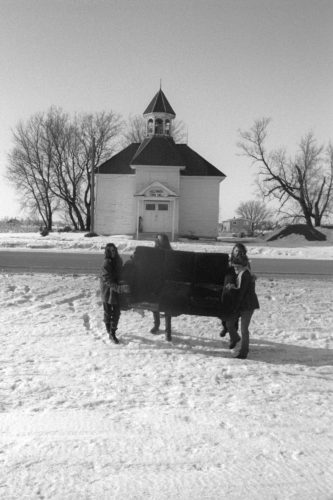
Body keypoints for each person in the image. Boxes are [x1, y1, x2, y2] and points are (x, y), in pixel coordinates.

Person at [225, 252, 259, 359]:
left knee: (244, 329)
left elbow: (241, 292)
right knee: (229, 322)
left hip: (247, 306)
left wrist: (232, 288)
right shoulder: (241, 273)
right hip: (243, 304)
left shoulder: (245, 275)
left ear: (242, 266)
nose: (234, 269)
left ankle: (244, 352)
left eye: (236, 267)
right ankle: (235, 338)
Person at [220, 242, 250, 338]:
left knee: (234, 312)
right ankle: (225, 327)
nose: (237, 252)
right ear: (233, 251)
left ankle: (233, 333)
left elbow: (247, 274)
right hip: (227, 285)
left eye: (240, 251)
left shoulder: (245, 262)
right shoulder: (229, 261)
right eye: (236, 250)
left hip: (237, 287)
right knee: (224, 308)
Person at [150, 233, 172, 340]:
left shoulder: (170, 253)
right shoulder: (154, 252)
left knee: (167, 306)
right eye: (157, 240)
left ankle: (168, 331)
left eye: (159, 240)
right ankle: (157, 325)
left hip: (167, 283)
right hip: (155, 282)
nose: (157, 242)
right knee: (155, 305)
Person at [100, 243, 123, 344]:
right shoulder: (106, 263)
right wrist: (117, 287)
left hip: (116, 291)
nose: (114, 252)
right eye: (111, 251)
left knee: (117, 312)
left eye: (115, 250)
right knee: (108, 312)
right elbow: (107, 280)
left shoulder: (119, 260)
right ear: (108, 252)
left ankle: (113, 332)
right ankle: (109, 331)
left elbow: (122, 273)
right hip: (107, 291)